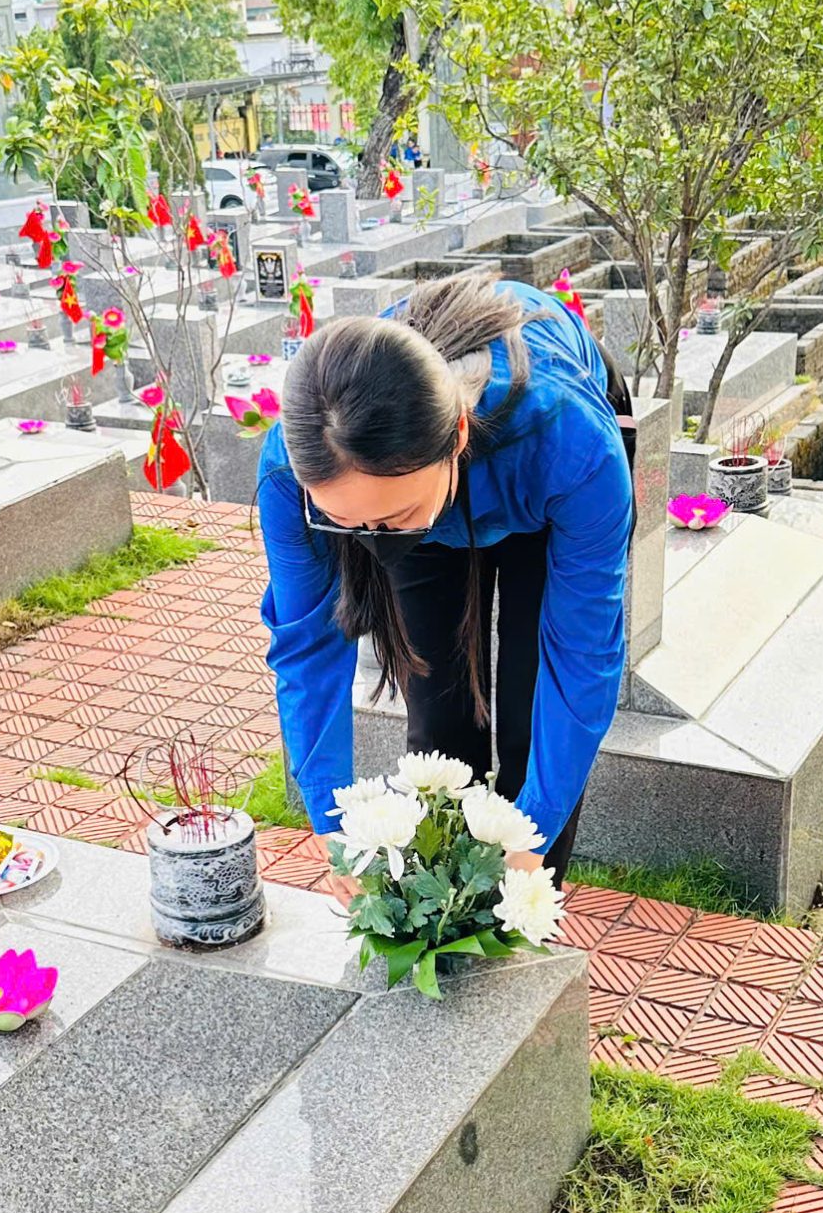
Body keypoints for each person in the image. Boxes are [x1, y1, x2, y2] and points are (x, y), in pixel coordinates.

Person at [256, 274, 633, 883]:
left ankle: (529, 907)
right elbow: (307, 646)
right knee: (439, 719)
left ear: (456, 435)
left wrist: (533, 835)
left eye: (392, 518)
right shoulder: (294, 469)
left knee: (529, 715)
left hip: (535, 477)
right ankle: (444, 899)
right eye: (349, 524)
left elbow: (582, 655)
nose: (374, 541)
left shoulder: (572, 443)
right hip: (424, 482)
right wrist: (331, 822)